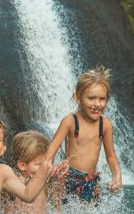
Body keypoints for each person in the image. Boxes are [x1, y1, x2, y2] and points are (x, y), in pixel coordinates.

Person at [44, 66, 124, 203]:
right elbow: (50, 152)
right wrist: (48, 168)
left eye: (102, 99)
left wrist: (117, 176)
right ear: (77, 97)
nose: (97, 104)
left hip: (90, 181)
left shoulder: (105, 125)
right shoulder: (70, 121)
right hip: (68, 180)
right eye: (91, 98)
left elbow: (111, 156)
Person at [4, 130, 55, 214]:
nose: (46, 167)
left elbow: (55, 205)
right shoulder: (19, 184)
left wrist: (59, 178)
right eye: (39, 164)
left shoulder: (44, 179)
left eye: (47, 163)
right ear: (22, 165)